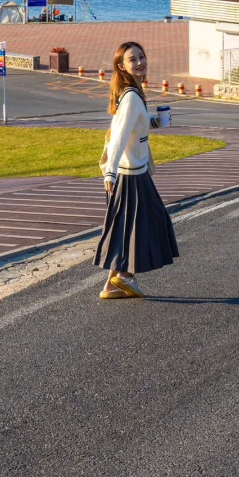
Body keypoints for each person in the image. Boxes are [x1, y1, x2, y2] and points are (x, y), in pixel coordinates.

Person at [94, 40, 178, 300]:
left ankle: (112, 285)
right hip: (130, 175)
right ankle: (125, 277)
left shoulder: (132, 92)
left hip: (133, 171)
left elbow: (133, 128)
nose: (140, 62)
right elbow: (119, 136)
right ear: (121, 65)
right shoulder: (131, 96)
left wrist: (154, 122)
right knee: (148, 222)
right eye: (133, 59)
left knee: (126, 227)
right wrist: (110, 172)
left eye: (142, 56)